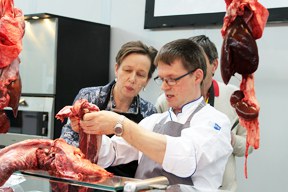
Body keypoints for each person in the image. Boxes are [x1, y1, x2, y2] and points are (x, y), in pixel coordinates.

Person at [73, 39, 233, 190]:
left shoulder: (216, 122)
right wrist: (89, 129)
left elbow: (185, 159)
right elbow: (111, 153)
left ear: (197, 76)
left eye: (171, 79)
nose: (164, 87)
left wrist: (120, 124)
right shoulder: (153, 121)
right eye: (162, 79)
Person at [155, 35, 253, 191]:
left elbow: (249, 146)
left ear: (214, 65)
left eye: (199, 62)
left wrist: (230, 139)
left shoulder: (235, 97)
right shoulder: (164, 101)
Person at [60, 40, 158, 178]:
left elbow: (147, 158)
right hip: (86, 178)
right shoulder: (89, 97)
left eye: (141, 74)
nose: (132, 79)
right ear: (116, 69)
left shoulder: (149, 112)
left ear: (147, 80)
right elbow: (67, 142)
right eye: (127, 70)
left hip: (127, 184)